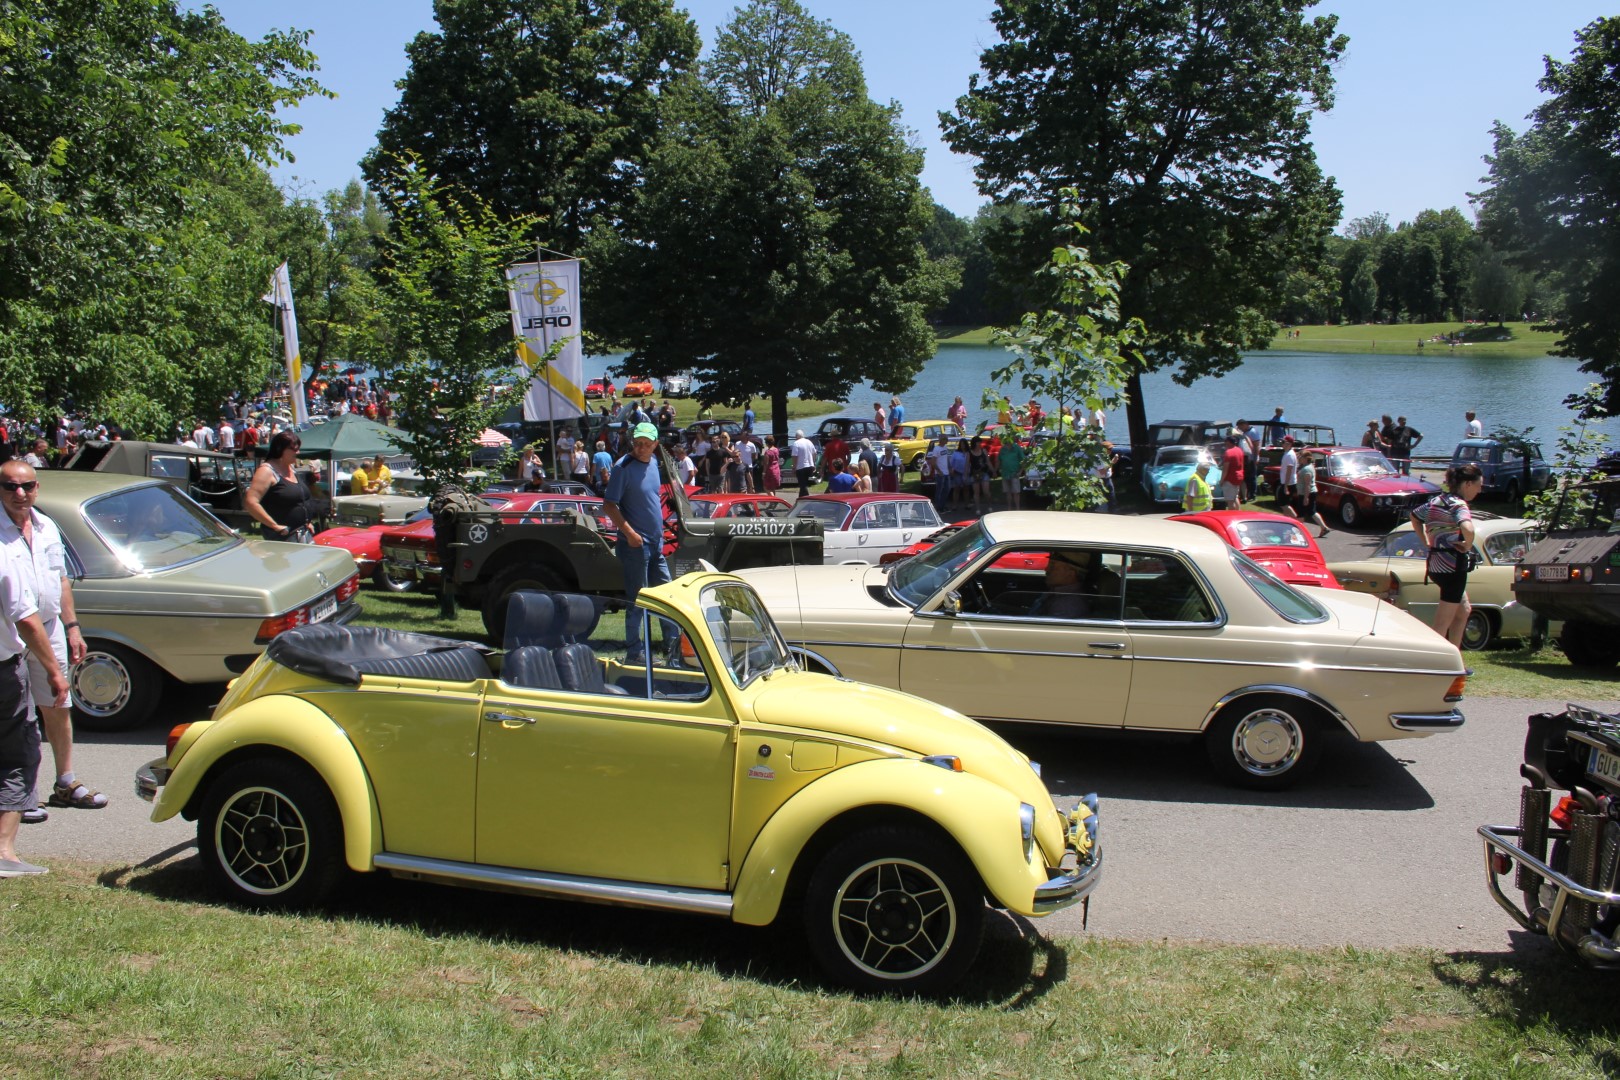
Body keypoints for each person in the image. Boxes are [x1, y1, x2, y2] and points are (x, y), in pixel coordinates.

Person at [0, 460, 101, 828]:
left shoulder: (45, 527)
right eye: (10, 487)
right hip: (10, 636)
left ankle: (65, 782)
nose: (19, 494)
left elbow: (60, 580)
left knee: (58, 705)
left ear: (37, 488)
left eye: (26, 486)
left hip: (48, 625)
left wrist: (72, 626)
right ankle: (16, 796)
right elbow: (19, 613)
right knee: (16, 718)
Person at [0, 537, 70, 877]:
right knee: (19, 755)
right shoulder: (3, 553)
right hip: (3, 673)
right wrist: (55, 671)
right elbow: (25, 618)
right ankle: (4, 853)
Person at [603, 424, 676, 665]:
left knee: (667, 596)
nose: (641, 447)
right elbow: (609, 506)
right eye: (637, 442)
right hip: (635, 546)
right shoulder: (622, 467)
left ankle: (672, 647)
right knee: (638, 601)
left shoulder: (654, 462)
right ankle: (635, 653)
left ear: (656, 444)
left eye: (646, 443)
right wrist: (630, 534)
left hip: (656, 543)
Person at [1411, 462, 1486, 647]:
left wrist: (1426, 541)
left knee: (1463, 611)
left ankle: (1456, 657)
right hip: (1453, 568)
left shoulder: (1437, 501)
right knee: (1442, 623)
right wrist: (1468, 545)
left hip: (1436, 565)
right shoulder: (1459, 505)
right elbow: (1468, 527)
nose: (1479, 491)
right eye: (1478, 486)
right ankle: (1436, 664)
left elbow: (1414, 516)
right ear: (1467, 484)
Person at [244, 432, 312, 542]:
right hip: (283, 536)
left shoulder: (291, 469)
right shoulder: (267, 471)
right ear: (281, 449)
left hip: (302, 533)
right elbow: (251, 502)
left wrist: (307, 523)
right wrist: (274, 526)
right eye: (294, 449)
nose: (298, 452)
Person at [1032, 550, 1093, 619]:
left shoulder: (1068, 605)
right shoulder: (1059, 593)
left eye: (1052, 566)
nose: (1046, 569)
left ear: (1070, 573)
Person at [1293, 451, 1331, 537]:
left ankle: (1299, 532)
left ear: (1306, 459)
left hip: (1306, 493)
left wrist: (1306, 497)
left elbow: (1307, 484)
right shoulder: (1307, 467)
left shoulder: (1307, 469)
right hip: (1307, 493)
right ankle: (1323, 527)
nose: (1299, 459)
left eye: (1301, 457)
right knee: (1311, 512)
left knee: (1301, 513)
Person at [998, 433, 1025, 509]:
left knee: (1016, 492)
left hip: (1015, 473)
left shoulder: (1017, 448)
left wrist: (1021, 471)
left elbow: (1023, 460)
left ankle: (1017, 509)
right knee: (1008, 492)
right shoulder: (1002, 449)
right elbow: (999, 460)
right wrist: (999, 469)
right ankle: (1009, 508)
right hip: (1005, 473)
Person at [1219, 434, 1245, 509]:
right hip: (1238, 476)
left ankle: (1232, 514)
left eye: (1226, 442)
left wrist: (1222, 480)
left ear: (1229, 442)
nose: (1225, 443)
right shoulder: (1239, 450)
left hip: (1230, 478)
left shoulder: (1228, 452)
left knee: (1230, 500)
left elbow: (1225, 469)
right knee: (1235, 496)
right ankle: (1238, 513)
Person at [968, 436, 992, 513]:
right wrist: (965, 474)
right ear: (974, 443)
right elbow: (967, 464)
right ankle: (978, 508)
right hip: (974, 473)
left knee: (986, 491)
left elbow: (988, 462)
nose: (979, 444)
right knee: (976, 492)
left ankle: (989, 506)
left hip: (984, 472)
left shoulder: (984, 451)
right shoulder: (970, 453)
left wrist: (993, 470)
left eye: (980, 442)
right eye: (978, 442)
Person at [790, 430, 817, 497]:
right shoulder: (809, 442)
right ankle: (801, 499)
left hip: (801, 467)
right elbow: (814, 453)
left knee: (802, 485)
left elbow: (795, 456)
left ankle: (806, 498)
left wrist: (794, 467)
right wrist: (813, 463)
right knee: (803, 484)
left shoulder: (796, 443)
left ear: (796, 436)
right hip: (809, 466)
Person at [1277, 436, 1299, 507]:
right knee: (1283, 504)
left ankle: (1294, 518)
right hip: (1285, 482)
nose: (1282, 444)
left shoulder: (1290, 455)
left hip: (1289, 483)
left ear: (1289, 444)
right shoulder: (1286, 453)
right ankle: (1287, 517)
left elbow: (1289, 471)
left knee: (1285, 505)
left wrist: (1286, 486)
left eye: (1283, 442)